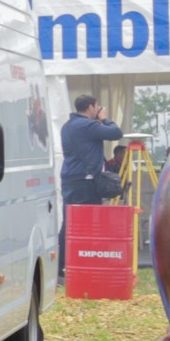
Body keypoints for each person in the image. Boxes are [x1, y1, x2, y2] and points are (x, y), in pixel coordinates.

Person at [59, 94, 127, 279]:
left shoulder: (67, 126)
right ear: (90, 107)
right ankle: (84, 262)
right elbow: (116, 133)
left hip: (70, 179)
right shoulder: (88, 125)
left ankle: (62, 265)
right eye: (97, 107)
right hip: (86, 181)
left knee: (69, 223)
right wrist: (104, 118)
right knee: (89, 224)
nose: (98, 109)